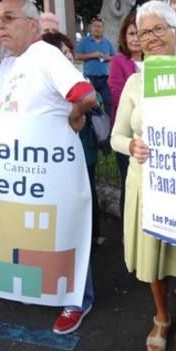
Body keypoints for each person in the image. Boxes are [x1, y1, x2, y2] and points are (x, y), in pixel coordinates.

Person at [0, 0, 97, 335]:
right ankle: (45, 286)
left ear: (33, 25)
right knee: (30, 231)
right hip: (21, 171)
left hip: (52, 170)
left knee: (65, 232)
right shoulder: (9, 64)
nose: (0, 24)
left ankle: (79, 299)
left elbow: (85, 95)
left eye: (8, 18)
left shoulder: (45, 55)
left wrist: (74, 114)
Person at [111, 0, 176, 351]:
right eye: (143, 31)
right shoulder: (136, 83)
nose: (150, 38)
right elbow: (115, 136)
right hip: (147, 187)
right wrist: (132, 145)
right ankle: (162, 316)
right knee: (154, 259)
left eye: (158, 29)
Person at [42, 31, 102, 248]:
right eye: (61, 53)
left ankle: (91, 238)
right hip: (57, 156)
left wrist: (80, 108)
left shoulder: (79, 78)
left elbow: (98, 101)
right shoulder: (45, 84)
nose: (66, 56)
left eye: (68, 52)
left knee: (87, 194)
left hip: (84, 151)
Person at [107, 11, 142, 218]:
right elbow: (117, 94)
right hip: (127, 134)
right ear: (124, 37)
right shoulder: (119, 61)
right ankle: (126, 232)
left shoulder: (157, 61)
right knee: (128, 182)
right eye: (131, 34)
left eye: (140, 33)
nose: (136, 38)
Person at [75, 15, 116, 116]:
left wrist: (107, 58)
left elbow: (114, 58)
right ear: (91, 28)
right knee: (89, 103)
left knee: (108, 102)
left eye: (99, 27)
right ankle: (92, 126)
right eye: (95, 26)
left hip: (105, 78)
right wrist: (92, 55)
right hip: (89, 78)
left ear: (103, 29)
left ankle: (107, 125)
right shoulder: (84, 41)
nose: (97, 29)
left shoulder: (107, 43)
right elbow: (77, 56)